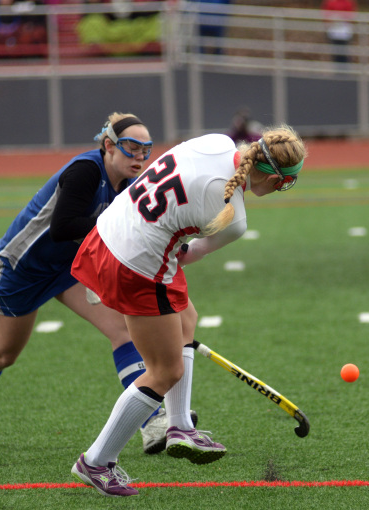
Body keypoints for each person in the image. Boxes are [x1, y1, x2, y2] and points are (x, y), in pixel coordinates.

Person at [69, 125, 306, 497]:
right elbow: (190, 255)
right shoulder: (235, 218)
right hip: (137, 263)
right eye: (284, 184)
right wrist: (176, 238)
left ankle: (179, 426)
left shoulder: (216, 141)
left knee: (187, 319)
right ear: (276, 179)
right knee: (165, 371)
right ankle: (97, 462)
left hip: (109, 231)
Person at [0, 113, 194, 456]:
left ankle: (151, 421)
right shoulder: (86, 171)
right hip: (22, 268)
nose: (140, 157)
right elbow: (63, 227)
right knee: (2, 354)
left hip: (71, 268)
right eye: (132, 148)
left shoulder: (130, 184)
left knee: (122, 330)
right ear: (109, 146)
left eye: (146, 150)